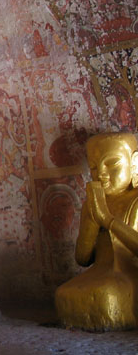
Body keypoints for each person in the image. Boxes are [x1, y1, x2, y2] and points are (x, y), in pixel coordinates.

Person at [55, 132, 138, 331]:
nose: (100, 172)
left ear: (134, 164)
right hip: (100, 273)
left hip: (128, 274)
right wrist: (92, 219)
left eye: (111, 163)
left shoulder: (135, 200)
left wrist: (107, 220)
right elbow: (83, 258)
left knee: (106, 294)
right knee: (63, 293)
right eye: (93, 166)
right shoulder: (92, 205)